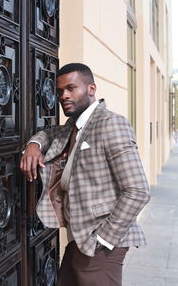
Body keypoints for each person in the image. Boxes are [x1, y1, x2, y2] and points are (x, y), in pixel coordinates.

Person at [20, 63, 150, 286]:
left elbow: (138, 191)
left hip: (99, 243)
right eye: (60, 91)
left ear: (91, 89)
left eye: (71, 88)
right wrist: (33, 144)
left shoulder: (110, 124)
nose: (64, 96)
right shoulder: (72, 126)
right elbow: (47, 133)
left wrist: (102, 240)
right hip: (79, 239)